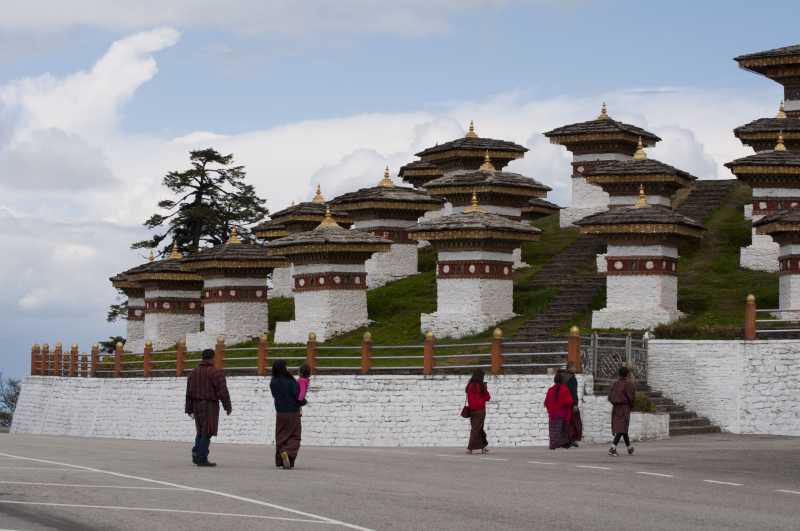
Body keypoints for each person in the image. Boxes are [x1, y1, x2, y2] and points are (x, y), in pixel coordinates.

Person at [185, 349, 232, 467]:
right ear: (213, 358)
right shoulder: (216, 373)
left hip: (196, 404)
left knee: (200, 431)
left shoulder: (193, 373)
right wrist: (227, 406)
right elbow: (222, 391)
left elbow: (188, 392)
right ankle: (201, 457)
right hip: (209, 405)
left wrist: (189, 409)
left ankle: (197, 453)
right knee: (207, 431)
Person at [270, 360, 303, 469]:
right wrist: (302, 402)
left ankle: (282, 458)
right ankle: (288, 452)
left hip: (280, 413)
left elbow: (275, 395)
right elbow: (297, 395)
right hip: (293, 412)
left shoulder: (273, 382)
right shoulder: (291, 381)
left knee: (281, 435)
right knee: (295, 435)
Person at [607, 366, 636, 456]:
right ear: (627, 374)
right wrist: (631, 406)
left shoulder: (614, 384)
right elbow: (631, 397)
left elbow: (609, 397)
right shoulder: (628, 384)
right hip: (624, 407)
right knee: (622, 428)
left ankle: (629, 447)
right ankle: (613, 448)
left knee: (623, 428)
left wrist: (615, 403)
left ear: (619, 374)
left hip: (616, 408)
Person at [544, 372, 574, 450]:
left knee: (553, 430)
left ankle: (553, 444)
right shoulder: (564, 389)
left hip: (552, 414)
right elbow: (570, 401)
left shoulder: (550, 390)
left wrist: (551, 409)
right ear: (562, 380)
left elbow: (546, 402)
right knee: (562, 429)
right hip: (562, 414)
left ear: (554, 380)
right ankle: (563, 443)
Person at [465, 369, 491, 454]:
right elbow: (487, 397)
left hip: (472, 410)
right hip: (480, 410)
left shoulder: (469, 385)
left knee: (477, 428)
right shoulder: (481, 386)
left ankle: (483, 447)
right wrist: (485, 388)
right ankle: (470, 448)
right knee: (477, 429)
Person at [562, 365, 582, 448]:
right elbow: (573, 392)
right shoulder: (572, 378)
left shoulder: (563, 377)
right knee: (573, 422)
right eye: (573, 367)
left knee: (566, 421)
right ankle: (571, 439)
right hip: (571, 403)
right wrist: (575, 404)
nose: (575, 368)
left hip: (563, 403)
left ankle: (566, 439)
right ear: (569, 369)